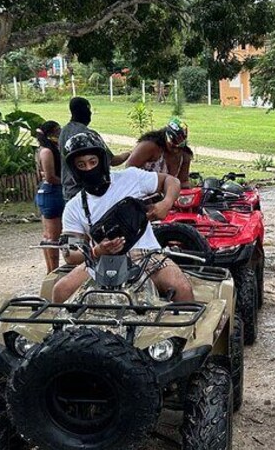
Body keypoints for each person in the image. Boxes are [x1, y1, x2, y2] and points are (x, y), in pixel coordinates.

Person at [51, 131, 194, 304]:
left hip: (146, 253)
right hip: (101, 261)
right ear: (74, 169)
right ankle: (64, 330)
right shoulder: (74, 207)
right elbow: (70, 254)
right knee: (60, 290)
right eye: (81, 165)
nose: (89, 168)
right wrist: (97, 251)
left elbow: (171, 181)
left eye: (92, 162)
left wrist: (166, 203)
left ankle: (184, 329)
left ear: (102, 161)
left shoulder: (131, 177)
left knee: (181, 287)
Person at [59, 97, 129, 200]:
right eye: (89, 110)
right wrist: (130, 153)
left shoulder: (64, 131)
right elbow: (113, 161)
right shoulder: (89, 136)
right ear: (86, 111)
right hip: (87, 192)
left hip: (69, 191)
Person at [125, 118, 193, 188]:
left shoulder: (184, 155)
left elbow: (183, 182)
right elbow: (129, 169)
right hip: (139, 191)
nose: (176, 149)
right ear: (166, 136)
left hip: (167, 196)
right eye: (173, 144)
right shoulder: (149, 146)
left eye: (180, 146)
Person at [34, 120, 65, 273]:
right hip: (52, 194)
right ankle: (53, 270)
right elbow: (50, 177)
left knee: (49, 235)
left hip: (50, 193)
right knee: (52, 237)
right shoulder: (47, 151)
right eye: (58, 132)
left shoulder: (50, 149)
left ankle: (52, 271)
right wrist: (67, 183)